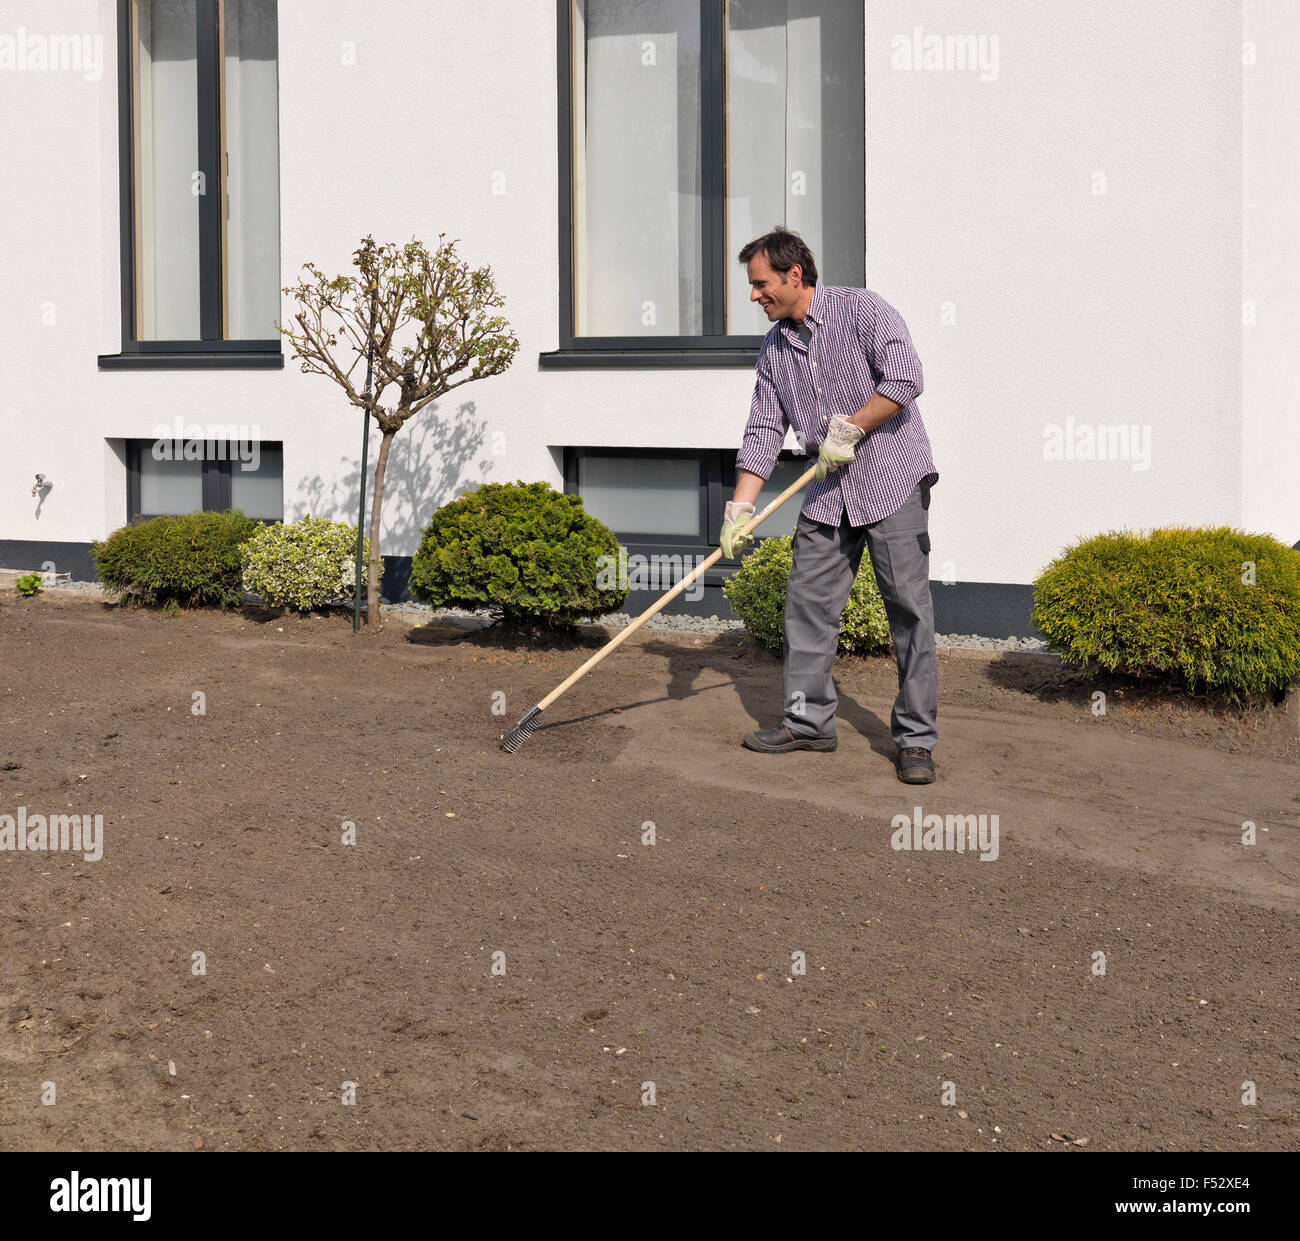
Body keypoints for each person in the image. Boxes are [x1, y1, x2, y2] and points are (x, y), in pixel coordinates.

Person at [721, 228, 940, 784]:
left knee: (908, 612)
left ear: (795, 276)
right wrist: (740, 507)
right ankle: (808, 723)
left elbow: (906, 378)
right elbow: (765, 428)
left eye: (760, 284)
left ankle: (915, 742)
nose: (754, 297)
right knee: (808, 606)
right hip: (827, 490)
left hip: (890, 479)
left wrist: (852, 426)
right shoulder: (774, 349)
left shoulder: (863, 309)